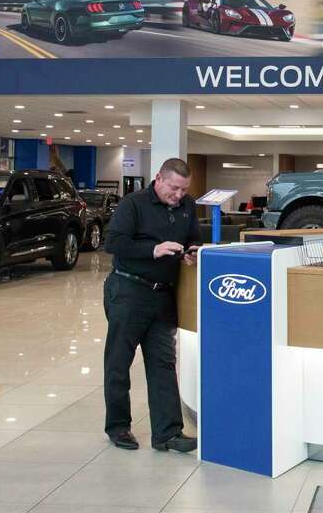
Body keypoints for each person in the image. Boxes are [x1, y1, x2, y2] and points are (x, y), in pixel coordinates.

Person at [102, 157, 200, 453]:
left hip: (163, 296)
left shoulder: (188, 206)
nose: (178, 195)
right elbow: (114, 242)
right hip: (129, 290)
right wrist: (153, 249)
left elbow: (194, 237)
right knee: (119, 362)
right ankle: (118, 427)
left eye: (183, 190)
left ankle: (168, 433)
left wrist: (193, 252)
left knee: (162, 363)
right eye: (174, 188)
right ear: (158, 178)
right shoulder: (133, 204)